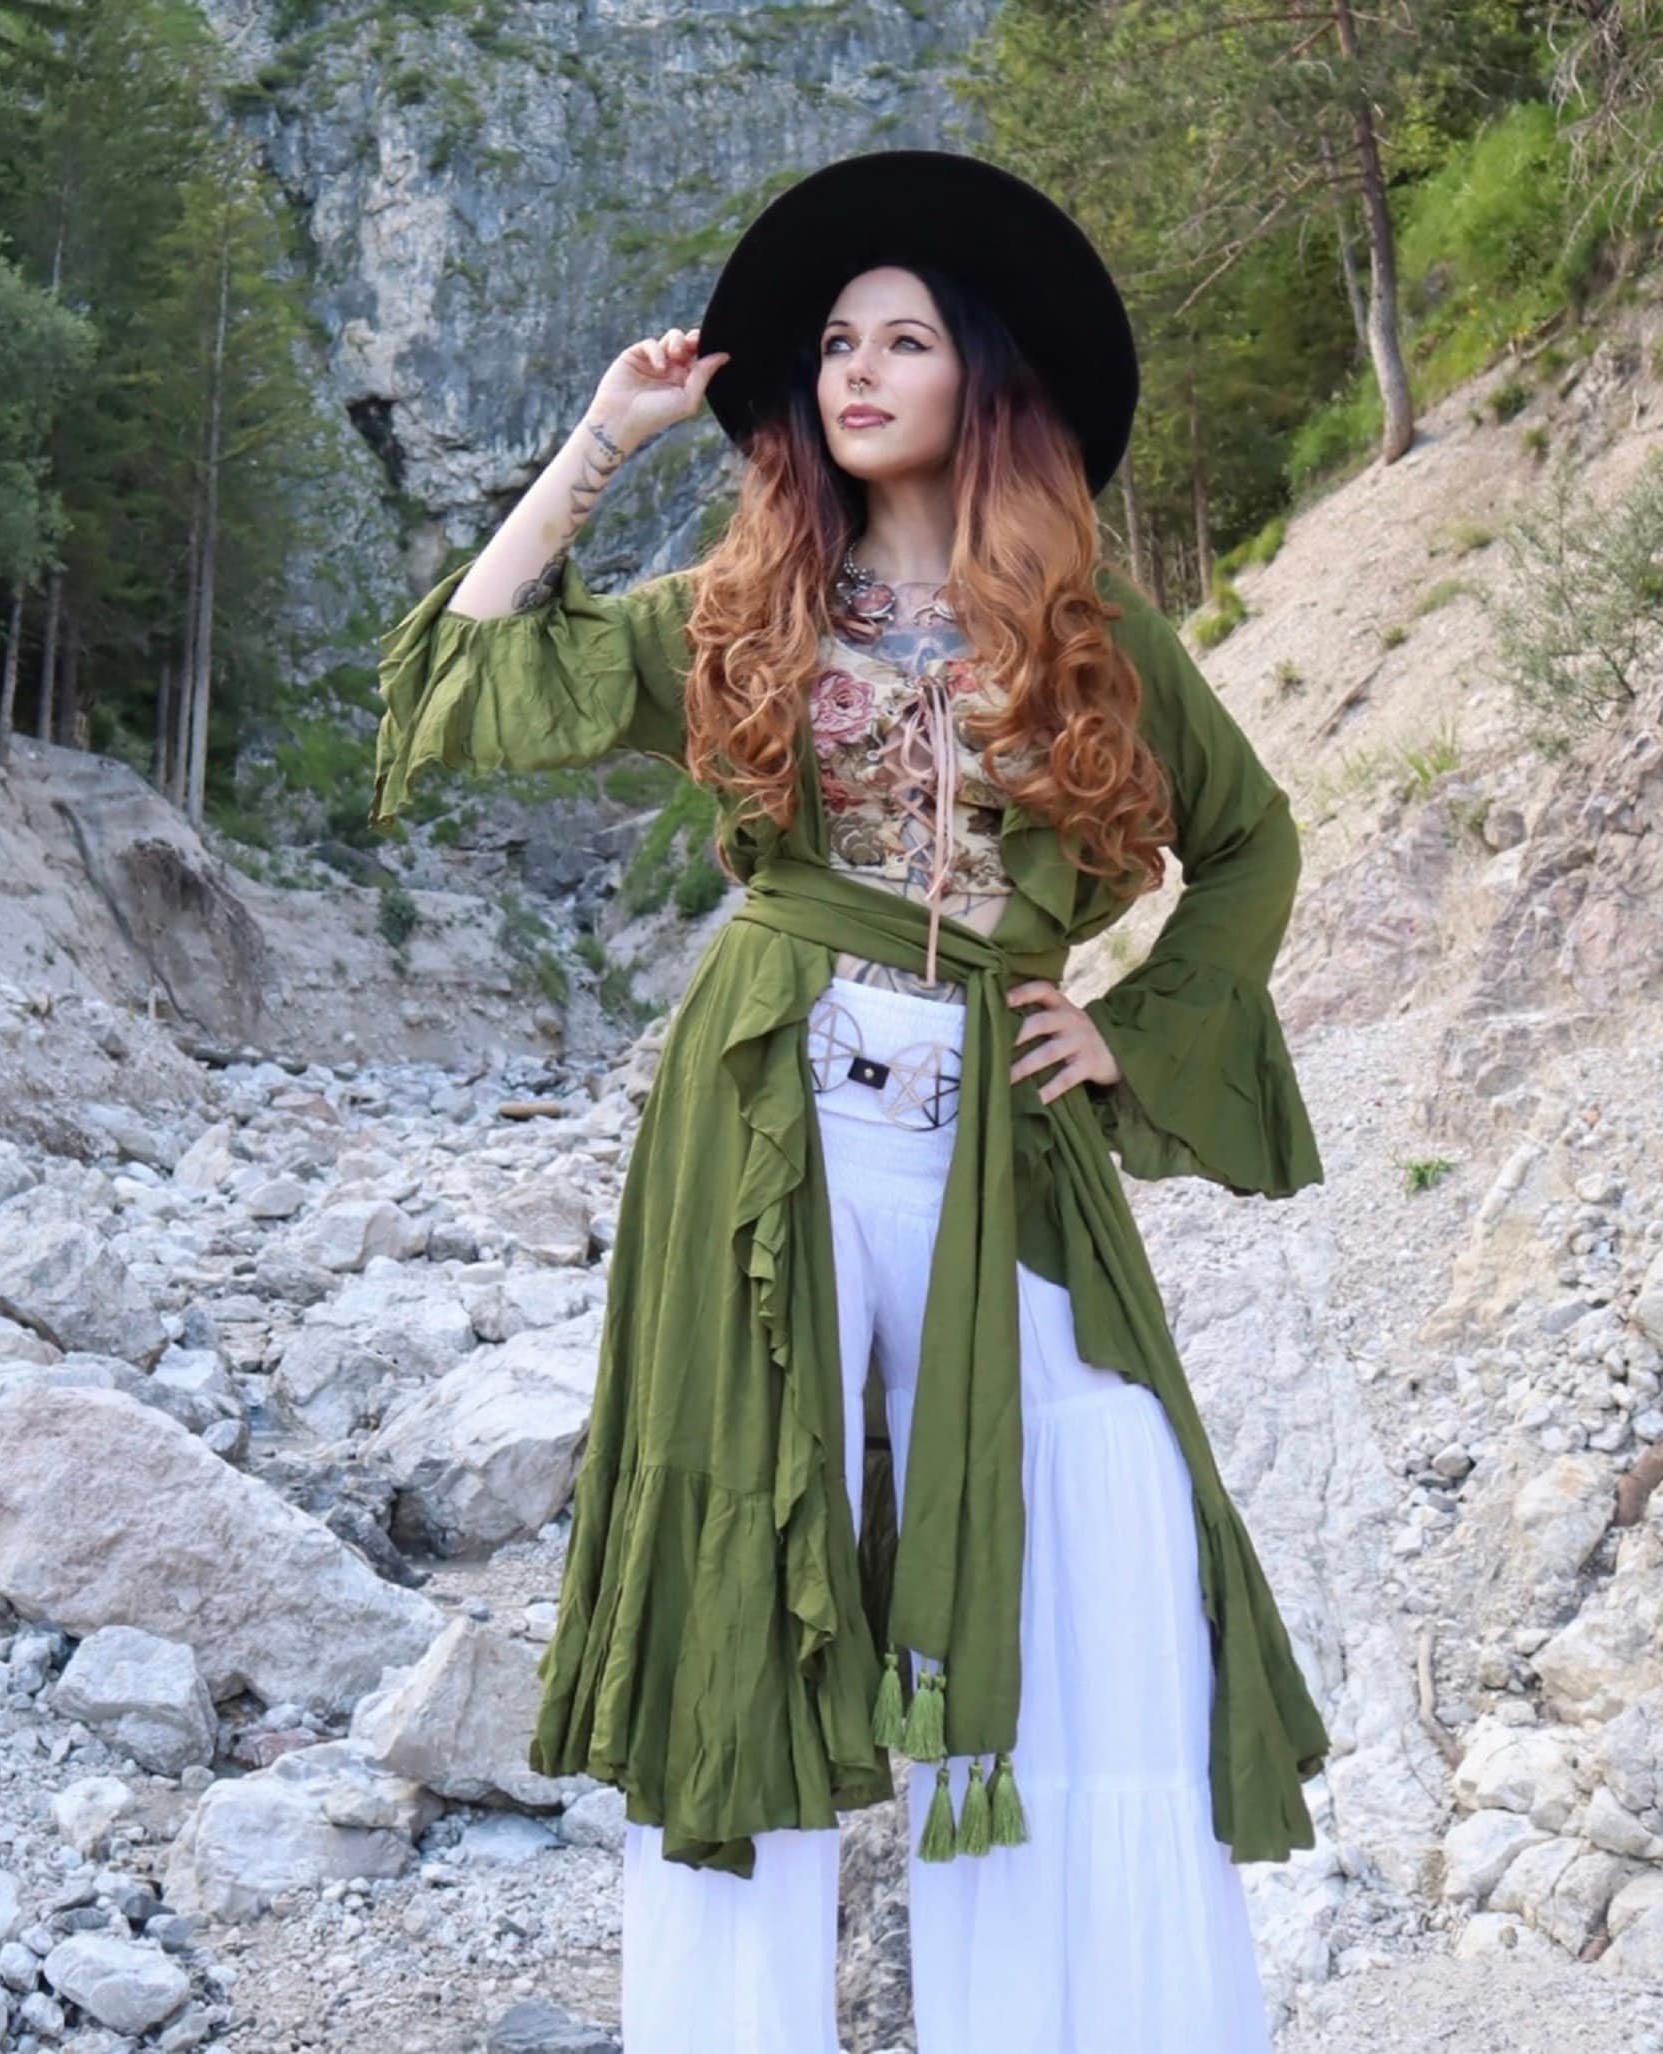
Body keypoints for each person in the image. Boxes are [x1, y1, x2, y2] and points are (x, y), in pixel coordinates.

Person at [369, 149, 1330, 2054]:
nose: (858, 366)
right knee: (745, 1557)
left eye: (904, 337)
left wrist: (1129, 1026)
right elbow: (460, 675)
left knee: (1102, 1536)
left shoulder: (1092, 638)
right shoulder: (739, 608)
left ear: (984, 374)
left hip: (1005, 1141)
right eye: (832, 342)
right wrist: (603, 437)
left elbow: (1252, 842)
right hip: (763, 1130)